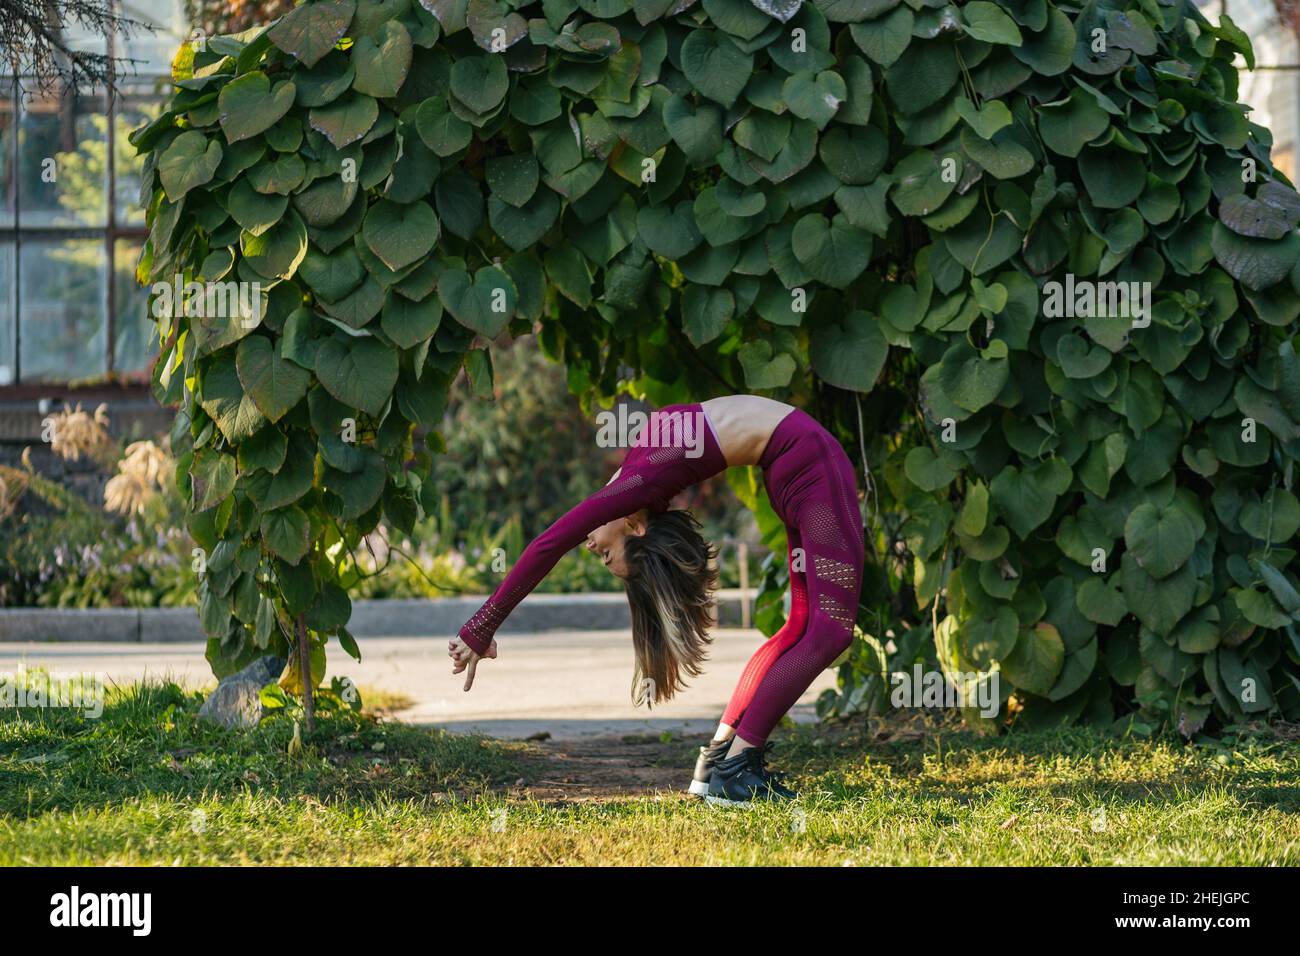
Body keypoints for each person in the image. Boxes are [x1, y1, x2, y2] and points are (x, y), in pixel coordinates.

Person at [447, 395, 864, 805]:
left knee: (807, 625)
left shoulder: (637, 483)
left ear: (636, 527)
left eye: (606, 555)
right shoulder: (637, 485)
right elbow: (554, 543)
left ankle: (720, 760)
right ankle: (736, 768)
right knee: (828, 630)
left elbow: (548, 545)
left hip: (800, 463)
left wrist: (482, 627)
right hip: (809, 463)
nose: (591, 549)